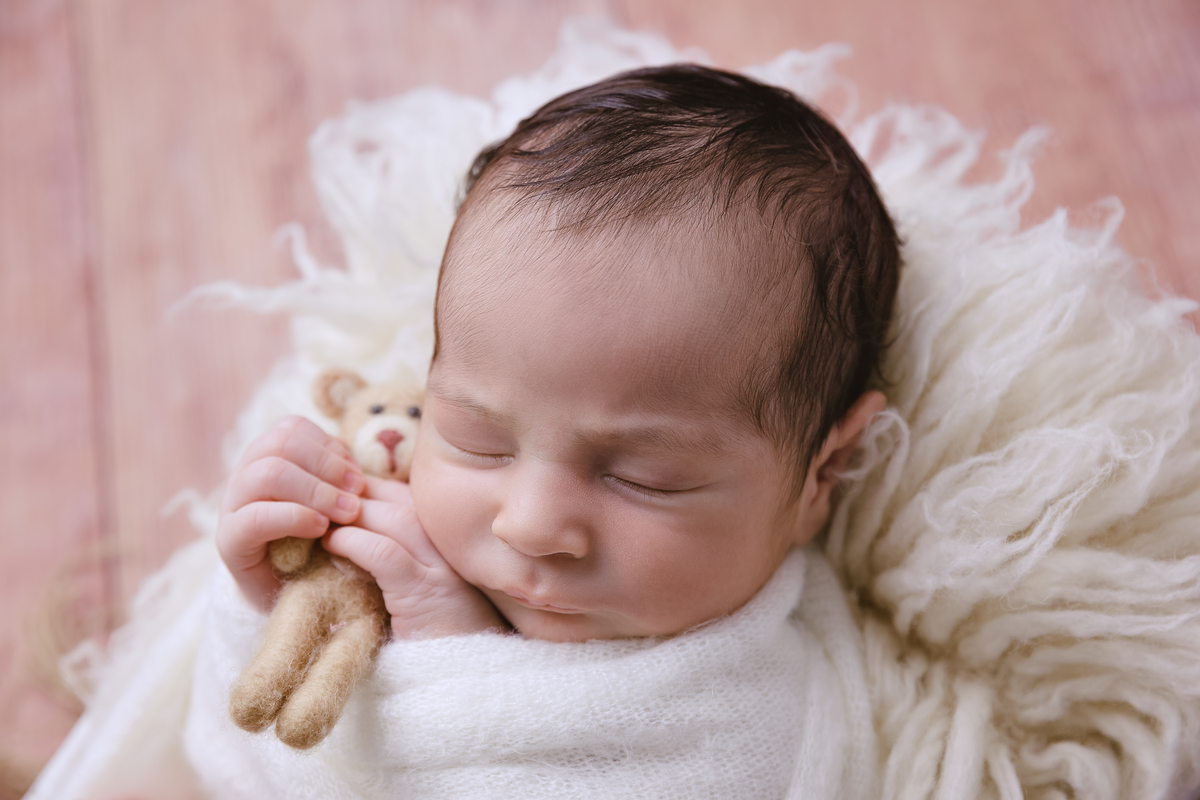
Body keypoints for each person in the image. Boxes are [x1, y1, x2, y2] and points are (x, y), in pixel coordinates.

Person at [216, 63, 899, 646]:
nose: (531, 525)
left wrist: (453, 653)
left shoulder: (764, 670)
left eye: (645, 479)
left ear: (822, 475)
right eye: (478, 441)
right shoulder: (395, 533)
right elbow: (230, 741)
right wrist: (271, 604)